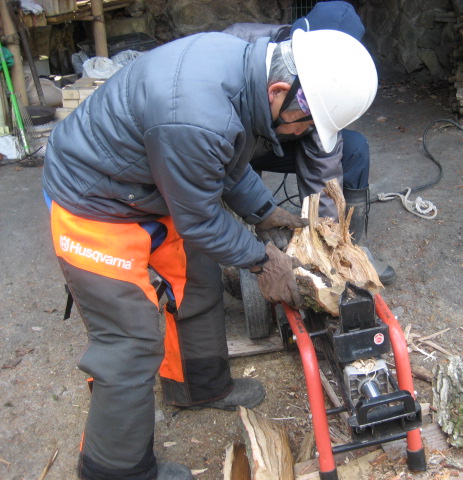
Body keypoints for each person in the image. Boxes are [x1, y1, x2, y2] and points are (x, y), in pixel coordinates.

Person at [42, 28, 377, 480]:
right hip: (93, 201)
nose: (303, 133)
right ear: (280, 90)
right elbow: (200, 217)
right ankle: (114, 472)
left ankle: (199, 386)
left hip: (149, 186)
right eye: (305, 122)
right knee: (129, 342)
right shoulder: (195, 114)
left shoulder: (241, 77)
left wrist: (263, 211)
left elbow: (223, 161)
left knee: (197, 279)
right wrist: (263, 261)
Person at [223, 1, 396, 284]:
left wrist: (327, 242)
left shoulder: (324, 81)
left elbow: (323, 168)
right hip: (233, 141)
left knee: (353, 148)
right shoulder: (239, 46)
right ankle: (243, 260)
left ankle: (349, 247)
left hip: (281, 135)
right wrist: (255, 233)